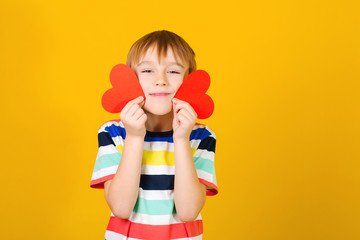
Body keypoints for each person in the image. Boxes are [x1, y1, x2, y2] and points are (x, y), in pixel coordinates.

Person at [90, 30, 218, 240]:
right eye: (148, 70)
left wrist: (181, 139)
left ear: (189, 81)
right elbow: (121, 208)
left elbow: (188, 212)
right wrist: (134, 136)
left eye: (174, 72)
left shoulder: (201, 136)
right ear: (131, 78)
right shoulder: (112, 133)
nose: (161, 80)